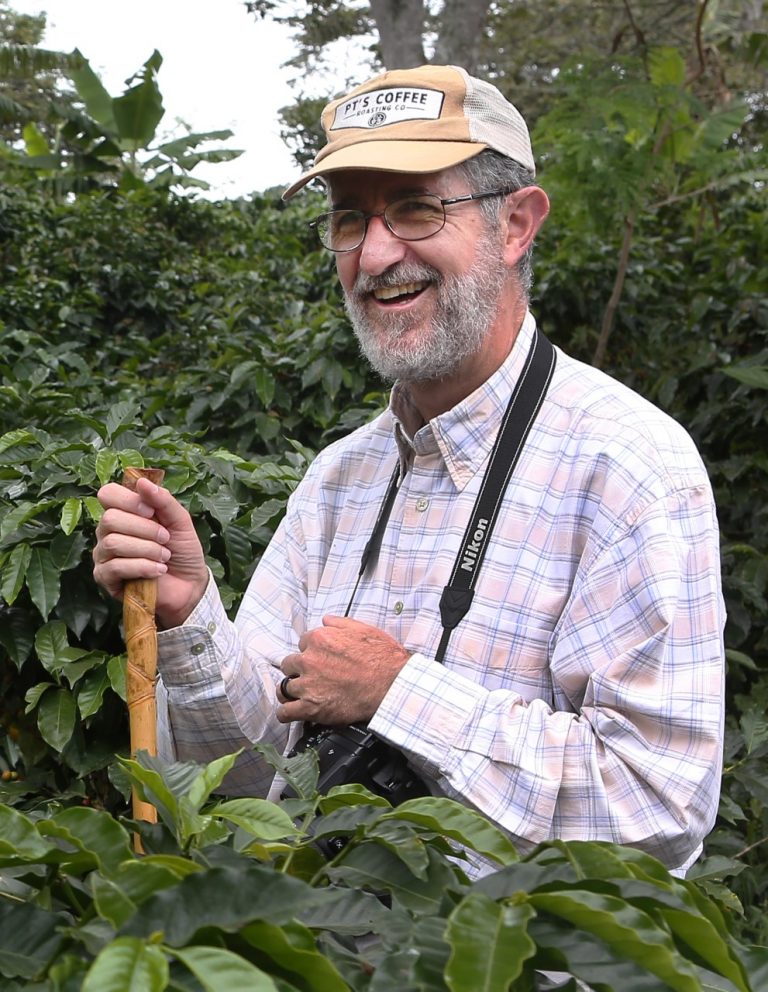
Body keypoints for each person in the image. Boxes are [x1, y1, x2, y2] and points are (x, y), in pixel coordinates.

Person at [93, 64, 725, 878]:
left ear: (516, 225)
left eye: (417, 208)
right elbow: (251, 782)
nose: (377, 252)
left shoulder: (630, 466)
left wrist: (398, 693)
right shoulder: (338, 479)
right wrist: (187, 618)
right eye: (350, 219)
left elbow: (658, 804)